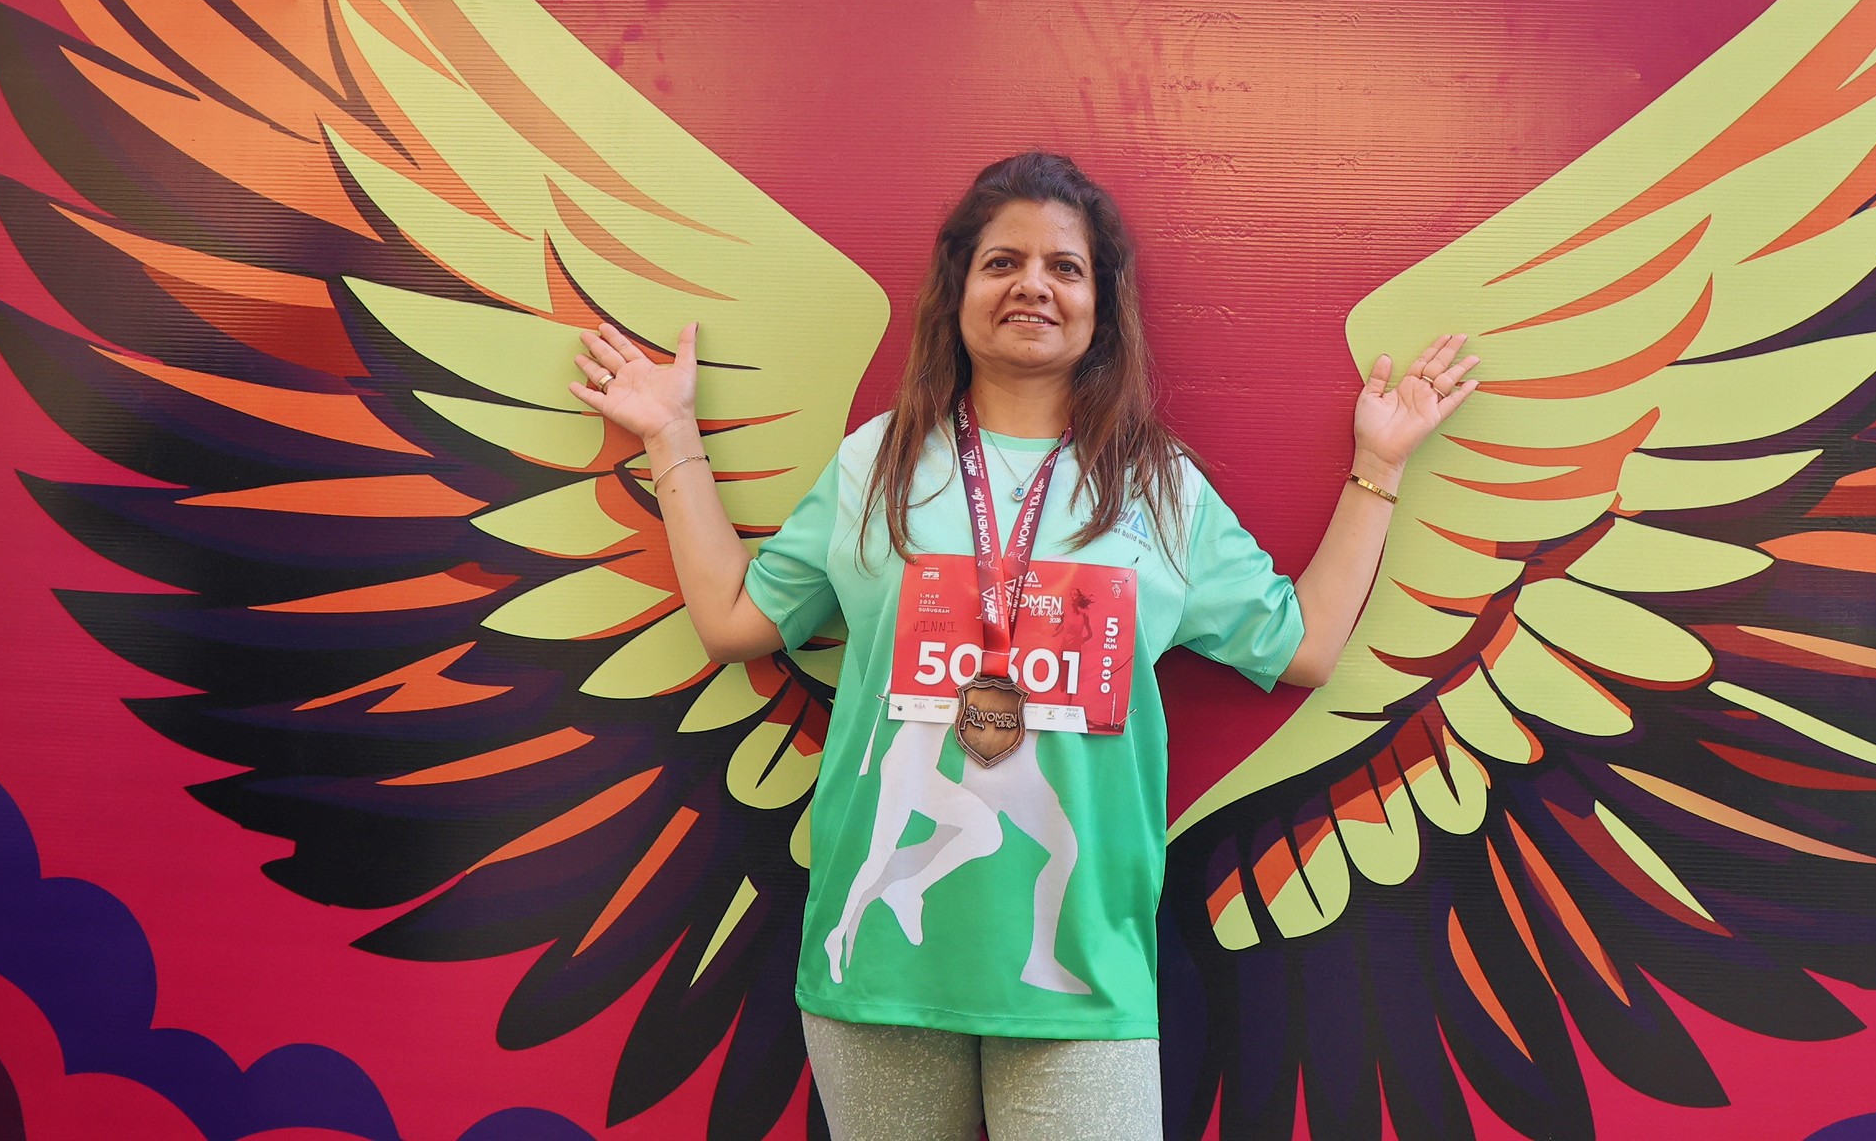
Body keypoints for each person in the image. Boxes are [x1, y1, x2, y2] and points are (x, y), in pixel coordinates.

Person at [572, 149, 1476, 1141]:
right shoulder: (877, 462)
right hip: (878, 976)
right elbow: (733, 621)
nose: (1033, 285)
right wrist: (669, 436)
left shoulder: (1156, 485)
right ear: (957, 292)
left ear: (1101, 305)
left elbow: (1301, 646)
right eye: (1002, 262)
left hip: (1082, 977)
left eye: (1065, 267)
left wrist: (1379, 465)